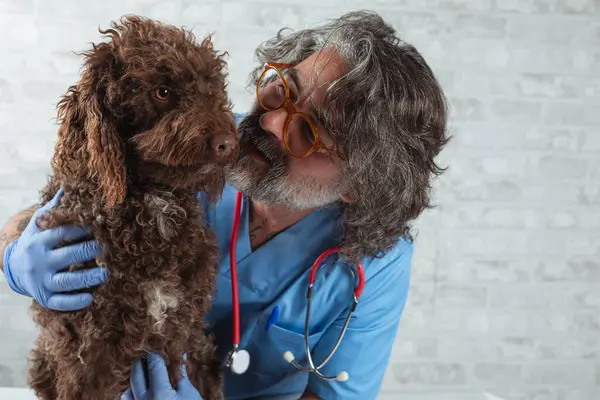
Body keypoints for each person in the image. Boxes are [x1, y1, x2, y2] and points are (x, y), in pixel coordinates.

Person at [0, 10, 449, 400]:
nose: (269, 122)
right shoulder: (198, 147)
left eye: (308, 132)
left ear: (357, 185)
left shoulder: (377, 264)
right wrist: (13, 255)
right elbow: (60, 207)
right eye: (282, 89)